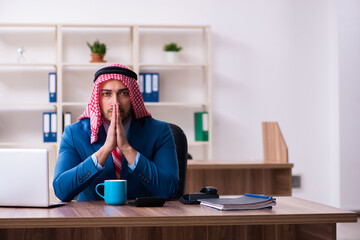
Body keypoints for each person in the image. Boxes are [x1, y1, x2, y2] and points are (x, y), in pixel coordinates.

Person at [53, 64, 179, 202]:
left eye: (123, 93)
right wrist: (105, 150)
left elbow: (170, 190)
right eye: (107, 94)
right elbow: (61, 191)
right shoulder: (74, 133)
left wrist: (127, 149)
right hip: (91, 218)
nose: (116, 103)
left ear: (132, 97)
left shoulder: (159, 131)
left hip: (143, 218)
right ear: (98, 99)